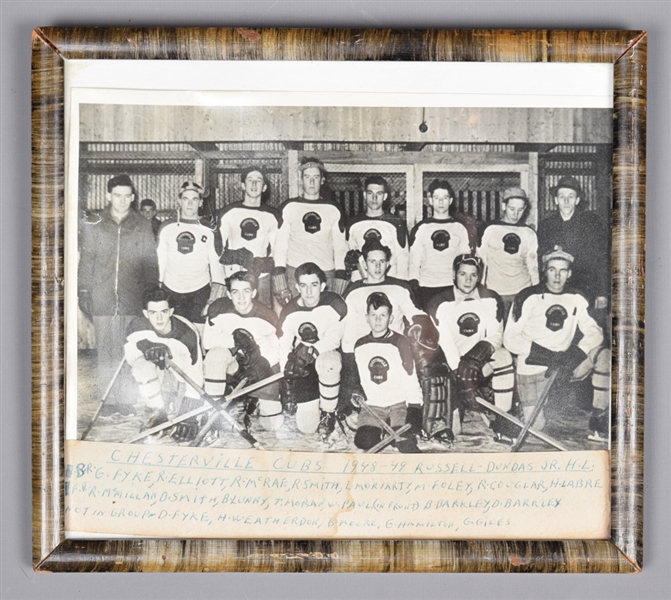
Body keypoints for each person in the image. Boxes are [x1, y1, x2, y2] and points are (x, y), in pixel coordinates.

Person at [503, 247, 610, 440]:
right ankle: (522, 409)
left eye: (562, 271)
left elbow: (595, 332)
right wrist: (547, 355)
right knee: (536, 430)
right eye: (552, 269)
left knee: (604, 356)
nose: (557, 276)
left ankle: (599, 422)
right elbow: (510, 338)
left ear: (569, 273)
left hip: (567, 363)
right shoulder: (527, 296)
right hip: (535, 365)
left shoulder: (577, 297)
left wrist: (576, 353)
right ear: (545, 271)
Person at [79, 174, 159, 414]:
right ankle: (108, 402)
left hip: (131, 297)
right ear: (108, 196)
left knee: (127, 349)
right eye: (117, 195)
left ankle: (124, 401)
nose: (122, 201)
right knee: (106, 351)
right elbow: (88, 259)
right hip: (102, 296)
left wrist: (150, 293)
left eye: (127, 196)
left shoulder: (142, 224)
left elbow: (150, 262)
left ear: (133, 197)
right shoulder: (94, 222)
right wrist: (83, 290)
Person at [427, 254, 516, 442]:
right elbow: (446, 343)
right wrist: (463, 372)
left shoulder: (491, 298)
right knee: (455, 431)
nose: (468, 280)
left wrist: (476, 362)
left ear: (479, 276)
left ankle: (503, 420)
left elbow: (495, 335)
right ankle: (457, 408)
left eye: (473, 275)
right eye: (462, 274)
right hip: (452, 367)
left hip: (479, 363)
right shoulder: (440, 302)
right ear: (454, 274)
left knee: (504, 357)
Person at [202, 271, 282, 432]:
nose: (241, 298)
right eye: (235, 292)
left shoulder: (267, 316)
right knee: (215, 355)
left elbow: (277, 349)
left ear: (254, 292)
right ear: (228, 294)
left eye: (246, 291)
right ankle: (212, 413)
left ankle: (254, 400)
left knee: (273, 425)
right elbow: (208, 341)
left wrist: (261, 366)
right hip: (234, 368)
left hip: (260, 371)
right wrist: (235, 341)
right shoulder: (219, 309)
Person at [124, 287, 204, 440]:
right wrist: (146, 346)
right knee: (142, 366)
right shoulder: (136, 326)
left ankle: (177, 410)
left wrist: (188, 415)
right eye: (153, 313)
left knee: (185, 425)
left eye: (164, 312)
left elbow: (196, 375)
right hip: (160, 378)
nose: (159, 319)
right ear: (146, 313)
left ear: (171, 311)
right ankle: (157, 411)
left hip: (182, 380)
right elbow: (132, 359)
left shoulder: (187, 334)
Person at [278, 263, 347, 438]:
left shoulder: (334, 304)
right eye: (303, 285)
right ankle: (316, 402)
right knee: (307, 428)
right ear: (296, 287)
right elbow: (284, 345)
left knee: (328, 362)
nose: (309, 291)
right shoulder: (289, 311)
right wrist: (286, 370)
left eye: (314, 285)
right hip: (305, 365)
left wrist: (312, 351)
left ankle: (328, 413)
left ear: (322, 286)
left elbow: (333, 338)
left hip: (328, 357)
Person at [273, 157, 349, 303]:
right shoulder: (289, 206)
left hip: (325, 271)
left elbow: (340, 247)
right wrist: (280, 274)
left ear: (322, 180)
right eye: (307, 177)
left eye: (316, 177)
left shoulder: (334, 208)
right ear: (301, 180)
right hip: (294, 270)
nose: (312, 182)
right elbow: (281, 245)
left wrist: (340, 275)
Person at [352, 292, 421, 453]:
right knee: (365, 441)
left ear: (390, 318)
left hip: (398, 403)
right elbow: (357, 377)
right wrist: (355, 392)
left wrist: (414, 407)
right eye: (373, 315)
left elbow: (410, 376)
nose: (377, 319)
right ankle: (381, 428)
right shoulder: (360, 345)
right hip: (373, 405)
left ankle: (393, 425)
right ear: (366, 317)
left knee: (404, 441)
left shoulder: (400, 342)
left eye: (383, 315)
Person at [156, 180, 227, 327]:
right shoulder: (166, 227)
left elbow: (216, 264)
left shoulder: (209, 229)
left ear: (200, 202)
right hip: (172, 290)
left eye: (194, 200)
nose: (189, 204)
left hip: (199, 290)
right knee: (176, 335)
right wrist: (159, 293)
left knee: (199, 335)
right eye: (185, 199)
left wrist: (214, 298)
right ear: (179, 201)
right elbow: (160, 262)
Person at [537, 176, 609, 312]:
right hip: (555, 288)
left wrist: (602, 292)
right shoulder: (546, 225)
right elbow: (540, 258)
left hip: (585, 287)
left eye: (570, 197)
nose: (566, 201)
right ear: (556, 200)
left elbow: (601, 259)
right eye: (561, 196)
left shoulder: (591, 224)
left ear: (577, 200)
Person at [217, 165, 281, 308]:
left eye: (258, 181)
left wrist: (264, 264)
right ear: (243, 185)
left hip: (261, 278)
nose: (253, 184)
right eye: (250, 180)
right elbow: (218, 249)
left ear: (264, 187)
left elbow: (278, 250)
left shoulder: (272, 215)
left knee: (262, 318)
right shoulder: (229, 212)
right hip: (234, 276)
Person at [409, 178, 471, 309]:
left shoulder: (459, 228)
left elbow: (465, 260)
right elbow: (414, 259)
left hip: (452, 287)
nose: (441, 202)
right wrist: (414, 284)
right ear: (431, 200)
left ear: (450, 200)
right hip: (427, 287)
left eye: (445, 198)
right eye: (437, 198)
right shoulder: (422, 227)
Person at [477, 187, 539, 316]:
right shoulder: (489, 229)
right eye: (512, 209)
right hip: (495, 292)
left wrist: (536, 292)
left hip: (522, 292)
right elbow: (482, 262)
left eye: (520, 210)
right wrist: (480, 291)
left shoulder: (529, 233)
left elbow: (533, 266)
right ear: (504, 206)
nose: (515, 214)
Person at [345, 175, 409, 280]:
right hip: (361, 283)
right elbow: (350, 255)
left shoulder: (396, 223)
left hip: (389, 281)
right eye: (370, 193)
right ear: (365, 195)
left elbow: (403, 258)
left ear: (385, 196)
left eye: (379, 194)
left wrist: (401, 284)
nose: (374, 198)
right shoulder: (353, 223)